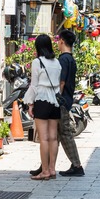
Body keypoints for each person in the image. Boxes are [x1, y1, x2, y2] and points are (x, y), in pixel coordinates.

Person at [31, 30, 84, 177]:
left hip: (58, 101)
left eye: (58, 41)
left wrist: (55, 98)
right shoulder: (70, 59)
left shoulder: (63, 60)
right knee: (54, 136)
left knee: (60, 134)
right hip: (65, 99)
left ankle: (76, 165)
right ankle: (46, 166)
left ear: (61, 41)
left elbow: (60, 83)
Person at [24, 34, 61, 180]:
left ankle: (44, 171)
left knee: (44, 138)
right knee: (53, 138)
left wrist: (30, 103)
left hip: (42, 100)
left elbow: (34, 85)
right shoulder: (57, 62)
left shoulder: (37, 62)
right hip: (55, 101)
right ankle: (52, 169)